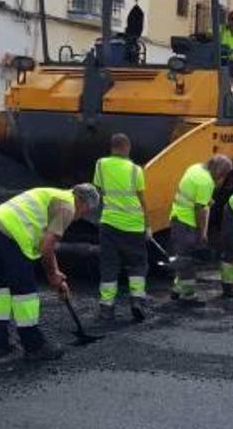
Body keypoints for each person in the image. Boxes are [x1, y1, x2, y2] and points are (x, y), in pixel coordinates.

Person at [0, 183, 100, 360]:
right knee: (25, 292)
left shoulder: (57, 196)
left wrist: (57, 274)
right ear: (83, 203)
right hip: (11, 234)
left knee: (5, 288)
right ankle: (34, 347)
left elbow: (47, 245)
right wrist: (52, 275)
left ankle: (1, 342)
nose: (83, 215)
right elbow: (47, 247)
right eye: (86, 211)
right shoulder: (67, 207)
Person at [92, 133, 151, 323]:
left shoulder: (101, 165)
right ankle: (137, 301)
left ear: (112, 147)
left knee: (109, 266)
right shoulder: (136, 170)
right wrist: (148, 226)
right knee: (137, 264)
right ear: (127, 148)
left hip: (109, 224)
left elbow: (98, 191)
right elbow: (142, 201)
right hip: (134, 226)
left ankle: (106, 308)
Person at [169, 155, 233, 305]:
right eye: (223, 174)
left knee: (182, 257)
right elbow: (200, 210)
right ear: (218, 171)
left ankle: (178, 289)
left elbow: (192, 195)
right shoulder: (206, 182)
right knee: (188, 260)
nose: (222, 178)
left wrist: (206, 200)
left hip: (177, 216)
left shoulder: (195, 168)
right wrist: (202, 233)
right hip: (187, 222)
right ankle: (188, 296)